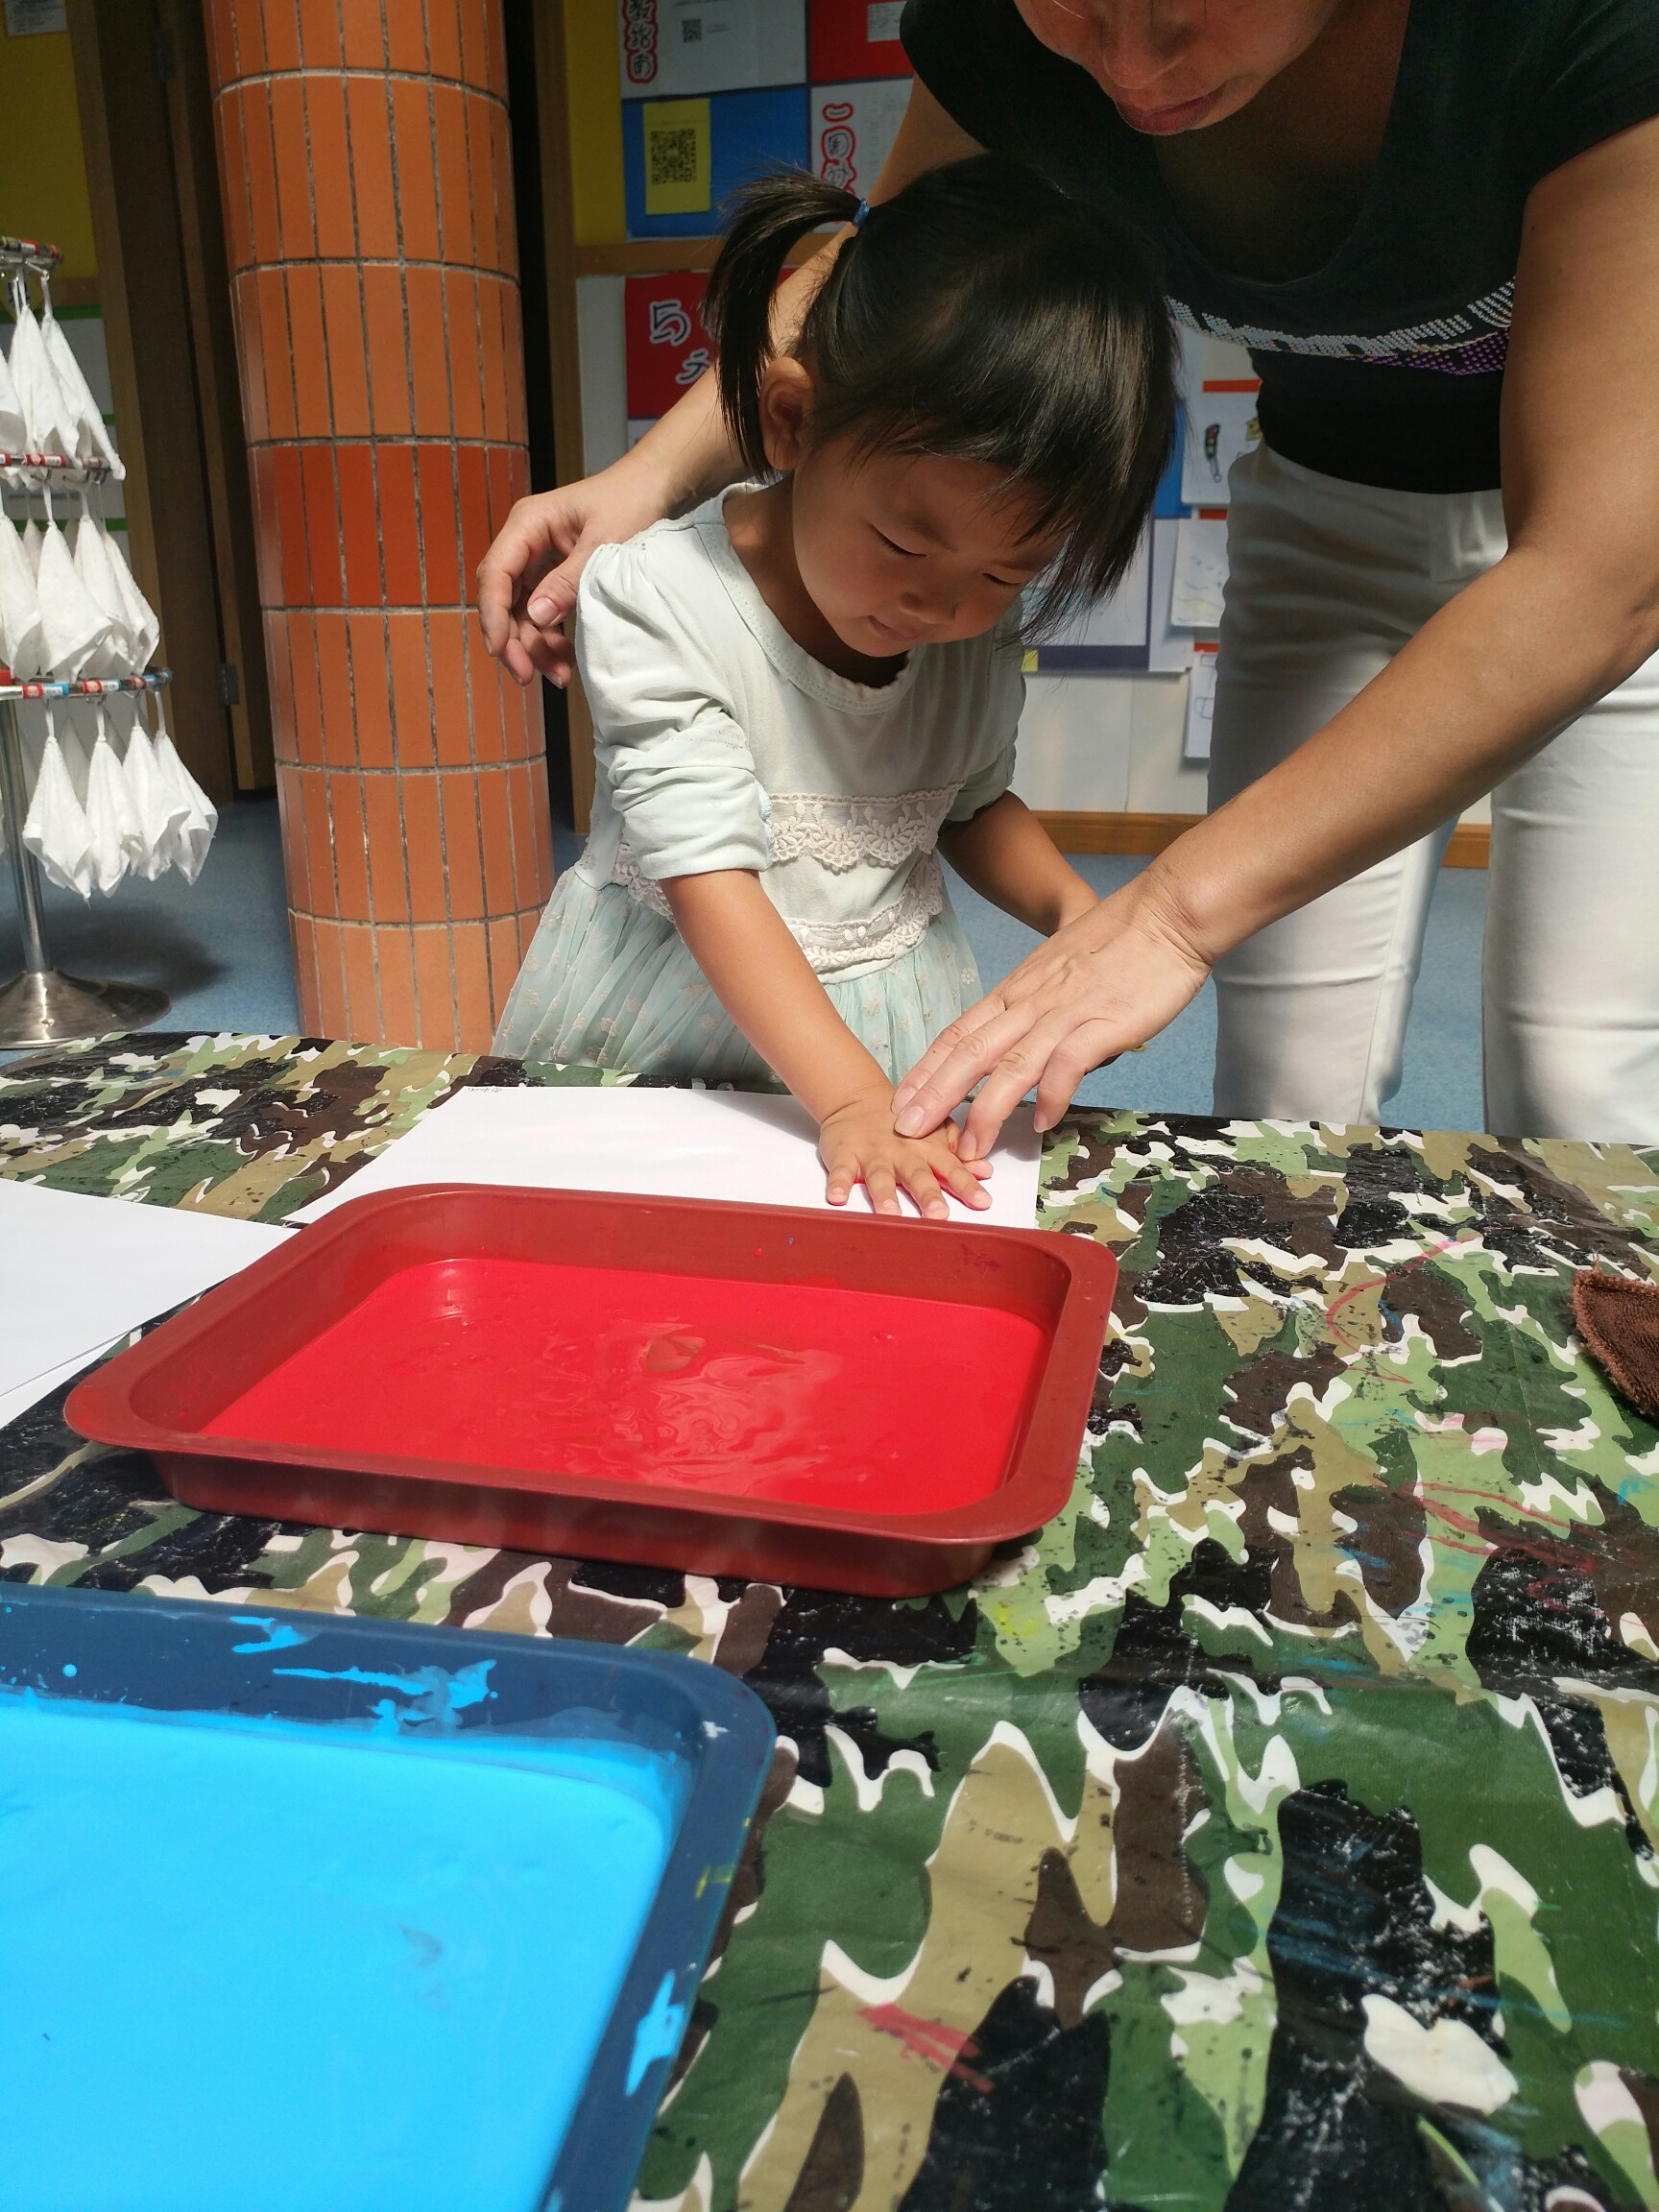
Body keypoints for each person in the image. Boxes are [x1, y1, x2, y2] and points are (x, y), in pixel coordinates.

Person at [479, 0, 1659, 1157]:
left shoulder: (1586, 33)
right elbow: (877, 289)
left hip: (1599, 532)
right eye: (1077, 10)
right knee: (1289, 1053)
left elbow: (1601, 570)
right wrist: (648, 474)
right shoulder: (671, 599)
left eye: (1011, 571)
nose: (1132, 65)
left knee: (1583, 1059)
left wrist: (1139, 912)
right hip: (1327, 496)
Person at [491, 157, 1173, 1218]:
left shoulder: (967, 630)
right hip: (676, 1020)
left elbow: (970, 805)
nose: (940, 604)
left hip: (889, 1017)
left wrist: (1079, 913)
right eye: (904, 542)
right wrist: (850, 1096)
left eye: (1006, 575)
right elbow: (709, 879)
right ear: (793, 421)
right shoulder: (661, 597)